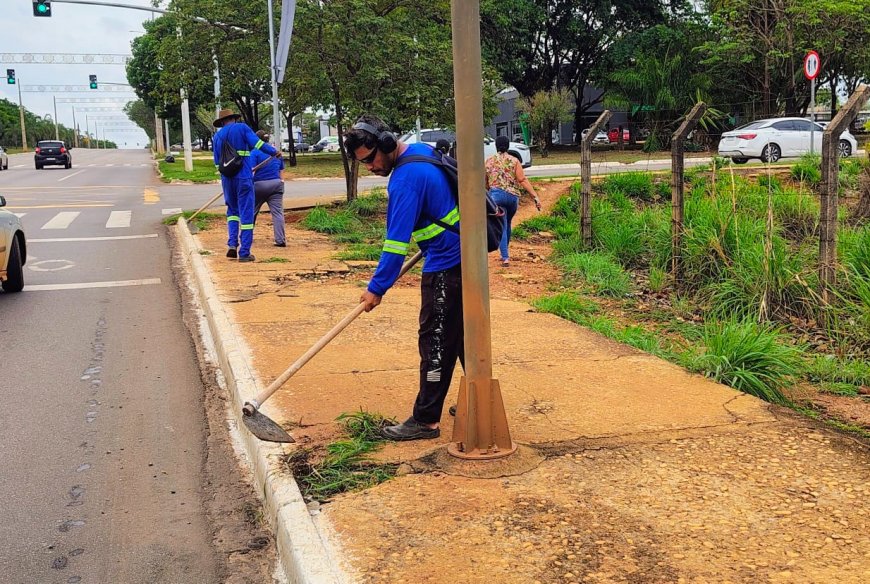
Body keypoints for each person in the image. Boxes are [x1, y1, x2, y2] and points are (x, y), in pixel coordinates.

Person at [344, 114, 463, 442]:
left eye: (369, 160)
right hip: (462, 255)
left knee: (435, 340)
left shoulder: (405, 179)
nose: (369, 168)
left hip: (446, 264)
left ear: (383, 144)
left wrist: (376, 288)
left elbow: (395, 245)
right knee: (462, 336)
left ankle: (425, 421)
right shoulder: (421, 152)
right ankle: (478, 394)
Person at [212, 109, 278, 262]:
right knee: (246, 213)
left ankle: (232, 244)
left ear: (222, 122)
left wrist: (227, 175)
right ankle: (244, 252)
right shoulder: (242, 128)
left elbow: (216, 162)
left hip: (227, 179)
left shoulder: (217, 136)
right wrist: (273, 152)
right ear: (234, 118)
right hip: (243, 177)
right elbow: (258, 143)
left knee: (232, 212)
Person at [485, 135, 541, 267]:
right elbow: (522, 180)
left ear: (496, 146)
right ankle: (506, 251)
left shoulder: (488, 161)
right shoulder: (514, 161)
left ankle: (505, 257)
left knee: (501, 225)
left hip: (497, 196)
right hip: (512, 198)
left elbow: (485, 183)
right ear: (508, 146)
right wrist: (535, 196)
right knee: (508, 223)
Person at [251, 130, 287, 248]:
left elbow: (251, 170)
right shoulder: (276, 153)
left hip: (259, 186)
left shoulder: (255, 152)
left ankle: (247, 237)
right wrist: (281, 181)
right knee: (278, 213)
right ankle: (280, 240)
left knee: (252, 211)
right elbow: (281, 169)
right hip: (276, 185)